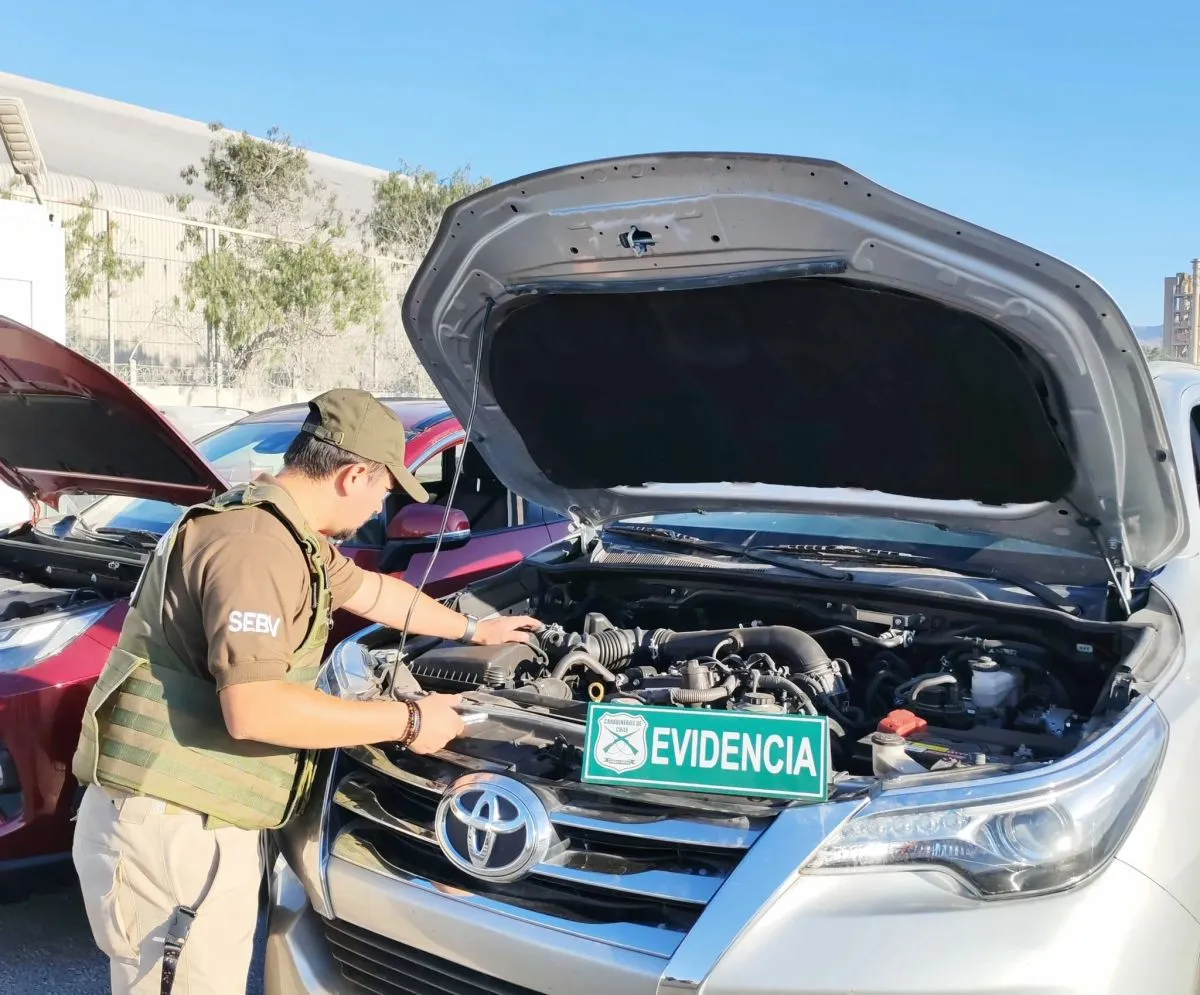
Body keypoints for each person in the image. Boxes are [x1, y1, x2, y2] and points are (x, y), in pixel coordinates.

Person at [68, 388, 539, 995]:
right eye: (384, 487)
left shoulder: (285, 531)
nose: (383, 501)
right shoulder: (255, 548)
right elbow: (254, 707)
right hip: (174, 830)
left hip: (196, 816)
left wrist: (476, 627)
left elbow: (372, 593)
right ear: (354, 475)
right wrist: (408, 722)